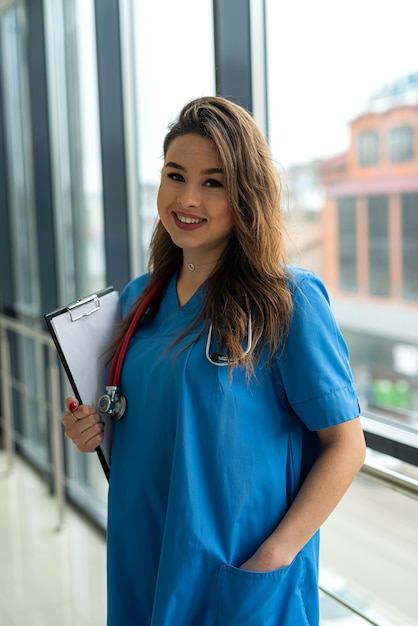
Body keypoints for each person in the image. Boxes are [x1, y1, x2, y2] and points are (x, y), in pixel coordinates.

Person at [62, 96, 366, 626]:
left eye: (213, 182)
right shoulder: (139, 301)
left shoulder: (287, 301)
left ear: (245, 194)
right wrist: (89, 426)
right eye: (175, 175)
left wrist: (275, 556)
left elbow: (346, 446)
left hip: (235, 572)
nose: (187, 198)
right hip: (145, 557)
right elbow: (138, 418)